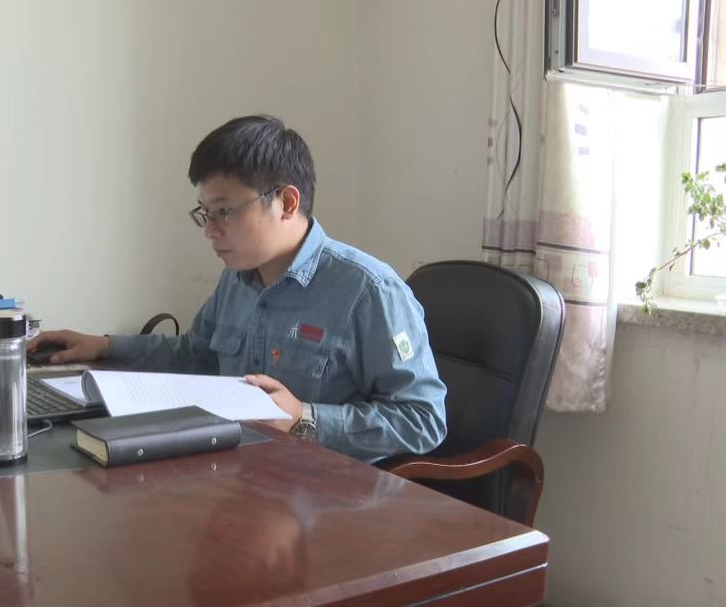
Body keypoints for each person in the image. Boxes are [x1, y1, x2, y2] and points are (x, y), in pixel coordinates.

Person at [29, 115, 446, 462]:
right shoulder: (238, 276)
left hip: (324, 494)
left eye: (224, 211)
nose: (210, 230)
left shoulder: (368, 291)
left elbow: (424, 420)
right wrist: (104, 346)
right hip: (238, 471)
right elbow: (196, 354)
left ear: (287, 203)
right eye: (205, 213)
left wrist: (306, 418)